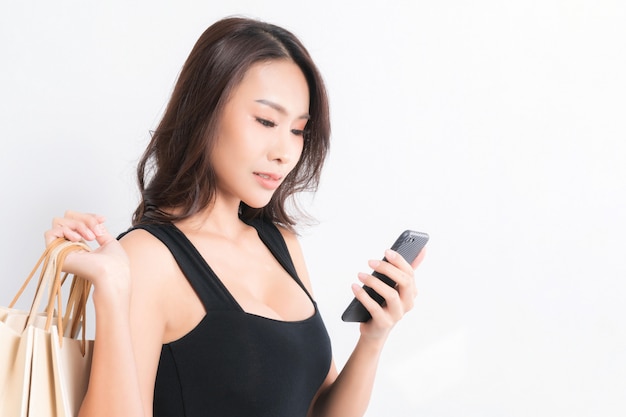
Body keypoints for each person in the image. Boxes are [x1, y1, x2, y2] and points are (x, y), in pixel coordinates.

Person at [45, 16, 425, 417]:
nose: (285, 152)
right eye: (265, 121)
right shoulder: (147, 256)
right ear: (205, 110)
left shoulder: (281, 245)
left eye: (298, 130)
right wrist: (109, 284)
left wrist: (374, 337)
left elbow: (317, 411)